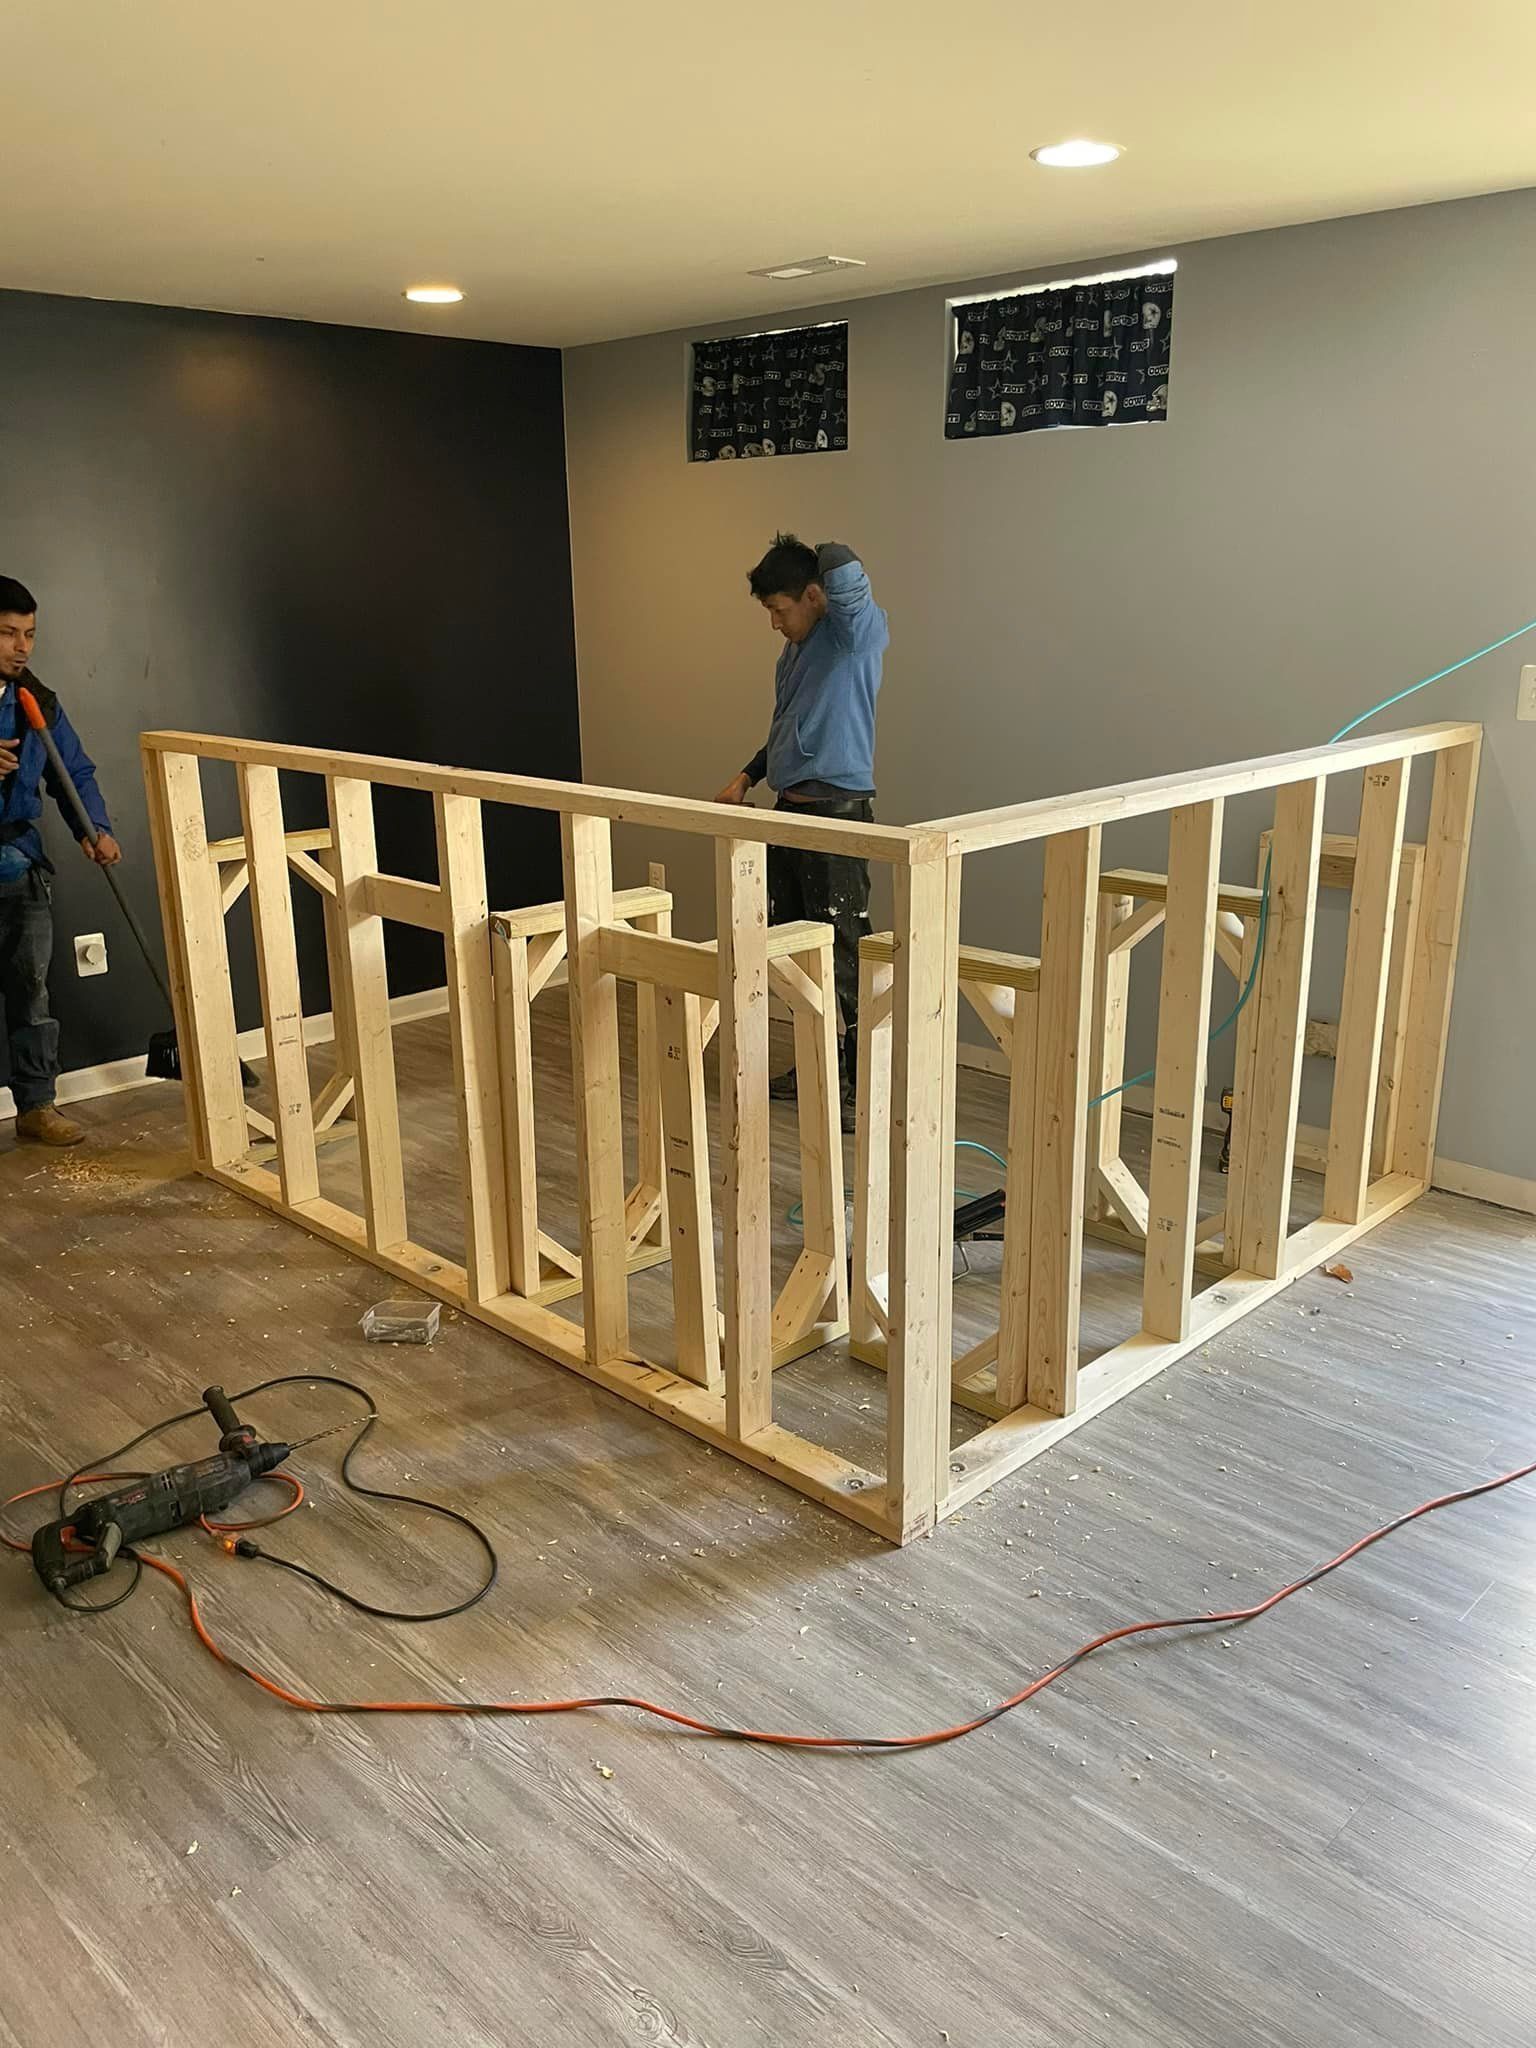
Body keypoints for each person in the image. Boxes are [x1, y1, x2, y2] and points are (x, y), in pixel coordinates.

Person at [715, 535, 888, 1131]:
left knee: (844, 948)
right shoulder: (795, 654)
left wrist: (822, 551)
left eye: (781, 610)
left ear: (815, 596)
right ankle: (820, 1062)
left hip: (836, 815)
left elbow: (847, 574)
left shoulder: (851, 640)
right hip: (789, 810)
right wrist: (747, 775)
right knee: (793, 947)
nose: (774, 623)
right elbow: (788, 728)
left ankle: (859, 1082)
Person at [0, 575, 121, 1147]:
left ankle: (36, 1106)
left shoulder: (37, 701)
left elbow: (71, 772)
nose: (21, 647)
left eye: (28, 634)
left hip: (19, 865)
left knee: (31, 993)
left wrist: (93, 829)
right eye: (6, 633)